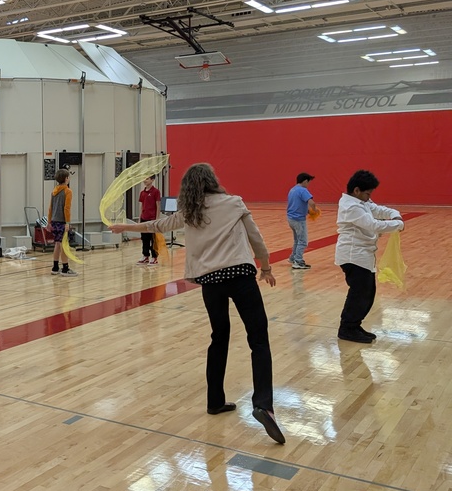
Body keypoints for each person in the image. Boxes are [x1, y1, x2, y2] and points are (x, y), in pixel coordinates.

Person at [111, 163, 284, 445]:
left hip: (211, 282)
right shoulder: (234, 203)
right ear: (213, 180)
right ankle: (263, 404)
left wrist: (125, 228)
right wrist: (265, 267)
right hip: (240, 276)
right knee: (258, 340)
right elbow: (256, 238)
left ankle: (215, 401)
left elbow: (158, 225)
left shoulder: (190, 212)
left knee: (219, 339)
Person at [335, 169, 403, 343]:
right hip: (353, 256)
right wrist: (397, 224)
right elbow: (372, 224)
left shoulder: (360, 200)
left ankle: (354, 325)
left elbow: (376, 209)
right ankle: (347, 328)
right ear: (356, 190)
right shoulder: (350, 206)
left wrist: (393, 214)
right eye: (368, 193)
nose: (369, 196)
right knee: (359, 294)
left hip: (363, 255)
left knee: (367, 293)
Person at [286, 172, 319, 269]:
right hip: (299, 219)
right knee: (303, 241)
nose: (308, 185)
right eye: (308, 182)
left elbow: (296, 204)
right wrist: (315, 210)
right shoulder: (303, 190)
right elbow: (311, 202)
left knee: (297, 240)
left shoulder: (292, 190)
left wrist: (308, 211)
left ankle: (293, 257)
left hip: (290, 218)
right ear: (305, 181)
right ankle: (298, 261)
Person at [49, 168, 77, 277]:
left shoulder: (54, 191)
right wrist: (67, 222)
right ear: (66, 179)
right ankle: (65, 268)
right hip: (62, 221)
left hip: (54, 220)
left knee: (57, 243)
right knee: (63, 245)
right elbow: (67, 208)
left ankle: (55, 267)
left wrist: (49, 221)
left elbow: (50, 208)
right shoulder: (68, 191)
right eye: (68, 177)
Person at [138, 174, 162, 265]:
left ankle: (154, 257)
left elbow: (158, 205)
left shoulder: (156, 192)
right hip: (144, 218)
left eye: (147, 179)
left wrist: (157, 219)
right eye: (144, 178)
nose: (145, 180)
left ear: (152, 180)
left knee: (153, 239)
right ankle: (145, 256)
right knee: (144, 238)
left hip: (152, 219)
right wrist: (140, 217)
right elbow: (141, 205)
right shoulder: (142, 193)